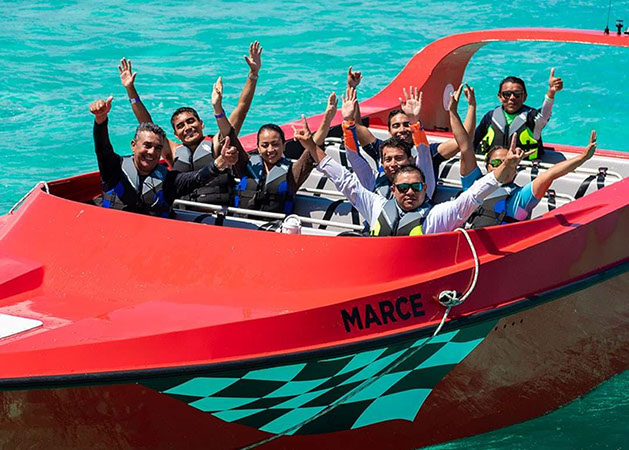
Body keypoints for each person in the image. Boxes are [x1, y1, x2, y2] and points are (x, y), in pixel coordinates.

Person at [292, 116, 527, 236]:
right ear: (393, 190)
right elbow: (343, 179)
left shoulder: (437, 217)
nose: (410, 192)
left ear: (426, 188)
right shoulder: (376, 205)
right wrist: (311, 146)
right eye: (403, 188)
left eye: (416, 187)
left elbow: (473, 195)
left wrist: (504, 168)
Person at [118, 40, 262, 167]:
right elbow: (146, 123)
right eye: (180, 126)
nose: (187, 128)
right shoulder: (172, 152)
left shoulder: (218, 144)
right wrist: (130, 89)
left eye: (191, 121)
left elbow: (241, 110)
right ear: (176, 135)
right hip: (183, 191)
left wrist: (253, 74)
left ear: (201, 124)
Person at [89, 96, 238, 217]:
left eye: (158, 148)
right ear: (133, 145)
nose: (152, 152)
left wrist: (220, 162)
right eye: (147, 145)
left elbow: (197, 178)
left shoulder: (169, 180)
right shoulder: (113, 167)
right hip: (111, 233)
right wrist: (101, 120)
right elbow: (102, 147)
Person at [343, 67, 477, 180]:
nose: (402, 129)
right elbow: (357, 126)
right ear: (389, 131)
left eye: (406, 124)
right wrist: (351, 87)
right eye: (396, 126)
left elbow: (464, 141)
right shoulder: (382, 149)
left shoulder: (429, 153)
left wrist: (471, 106)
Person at [460, 126, 597, 228]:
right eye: (496, 163)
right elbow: (465, 146)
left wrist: (583, 157)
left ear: (515, 170)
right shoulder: (473, 183)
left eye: (508, 163)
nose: (503, 167)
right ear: (487, 166)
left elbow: (551, 174)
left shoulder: (520, 197)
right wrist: (455, 110)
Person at [233, 93, 338, 215]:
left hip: (275, 225)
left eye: (275, 144)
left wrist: (327, 119)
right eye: (265, 145)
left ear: (284, 146)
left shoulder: (293, 173)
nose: (270, 149)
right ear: (258, 148)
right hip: (241, 223)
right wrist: (218, 110)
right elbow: (229, 135)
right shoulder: (246, 166)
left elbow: (311, 150)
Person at [473, 69, 563, 160]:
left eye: (517, 94)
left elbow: (545, 114)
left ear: (524, 97)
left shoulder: (532, 118)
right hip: (495, 165)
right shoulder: (490, 117)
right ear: (500, 97)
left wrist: (551, 92)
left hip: (524, 165)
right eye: (507, 94)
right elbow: (474, 142)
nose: (512, 98)